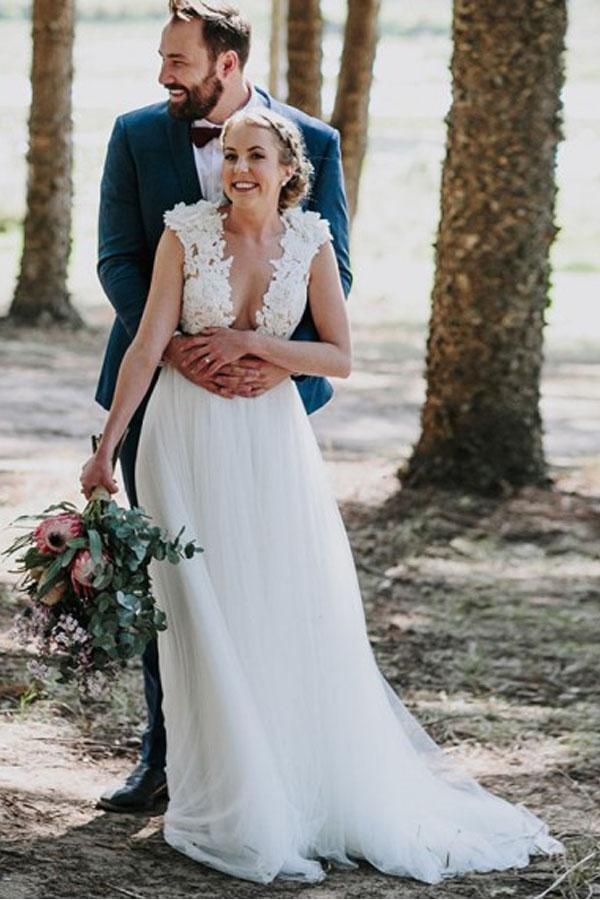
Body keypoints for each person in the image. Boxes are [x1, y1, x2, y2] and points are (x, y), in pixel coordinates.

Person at [82, 106, 564, 885]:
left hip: (269, 440)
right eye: (231, 155)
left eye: (257, 156)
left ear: (287, 169)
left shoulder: (310, 241)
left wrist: (254, 345)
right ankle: (222, 793)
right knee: (198, 612)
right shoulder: (183, 231)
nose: (240, 168)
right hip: (182, 436)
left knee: (275, 601)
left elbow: (337, 354)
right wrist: (107, 447)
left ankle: (290, 789)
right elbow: (145, 344)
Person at [94, 0, 351, 812]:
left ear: (227, 65)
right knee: (170, 580)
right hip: (164, 397)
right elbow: (116, 260)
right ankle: (164, 757)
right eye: (163, 59)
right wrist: (178, 349)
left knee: (265, 583)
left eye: (178, 60)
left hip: (268, 402)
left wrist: (272, 363)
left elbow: (332, 261)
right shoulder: (136, 135)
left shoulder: (318, 140)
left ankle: (271, 757)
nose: (163, 74)